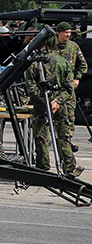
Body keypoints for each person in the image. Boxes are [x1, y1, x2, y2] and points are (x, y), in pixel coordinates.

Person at [26, 34, 83, 177]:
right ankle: (69, 168)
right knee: (64, 137)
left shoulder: (34, 63)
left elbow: (31, 88)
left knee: (41, 136)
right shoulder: (63, 62)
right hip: (61, 105)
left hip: (42, 105)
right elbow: (69, 88)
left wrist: (45, 101)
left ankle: (42, 168)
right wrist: (57, 101)